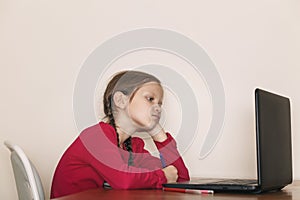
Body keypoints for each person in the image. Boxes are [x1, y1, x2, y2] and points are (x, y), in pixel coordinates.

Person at [50, 70, 190, 198]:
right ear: (120, 100)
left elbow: (181, 178)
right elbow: (124, 180)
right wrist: (163, 177)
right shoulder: (97, 136)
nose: (158, 108)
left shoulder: (133, 146)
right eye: (150, 99)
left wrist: (159, 135)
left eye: (160, 104)